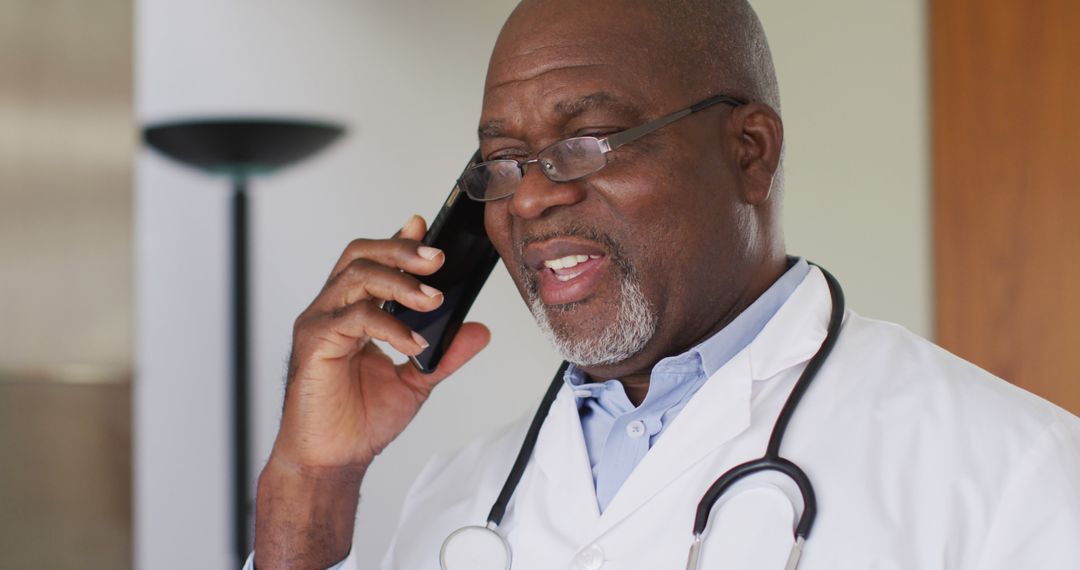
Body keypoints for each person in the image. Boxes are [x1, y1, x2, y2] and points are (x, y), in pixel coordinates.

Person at [248, 0, 1080, 568]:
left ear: (748, 152)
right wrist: (311, 479)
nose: (532, 196)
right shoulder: (459, 499)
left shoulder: (1016, 473)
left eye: (591, 141)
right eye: (503, 161)